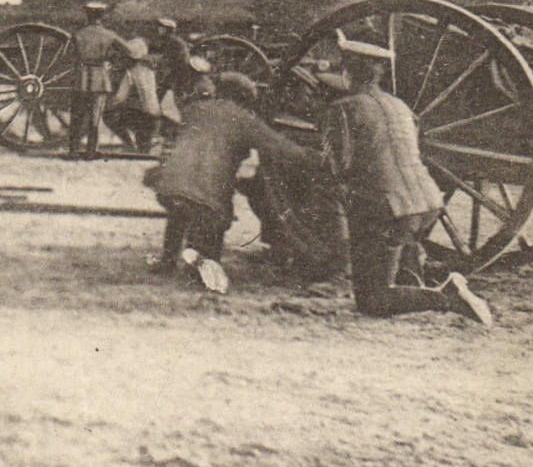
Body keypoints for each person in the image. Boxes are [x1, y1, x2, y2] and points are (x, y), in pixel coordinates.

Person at [324, 32, 493, 325]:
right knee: (403, 244)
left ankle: (447, 296)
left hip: (387, 210)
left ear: (347, 73)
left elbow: (339, 165)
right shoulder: (400, 106)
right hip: (428, 203)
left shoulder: (342, 109)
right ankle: (413, 279)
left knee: (372, 301)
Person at [150, 71, 330, 292]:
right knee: (214, 219)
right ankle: (202, 269)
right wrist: (316, 158)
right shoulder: (243, 120)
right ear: (245, 98)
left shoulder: (194, 110)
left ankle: (168, 260)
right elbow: (280, 147)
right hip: (206, 198)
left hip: (168, 187)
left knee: (181, 209)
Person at [68, 1, 127, 160]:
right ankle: (90, 152)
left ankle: (73, 151)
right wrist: (112, 62)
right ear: (103, 16)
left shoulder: (78, 34)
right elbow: (128, 51)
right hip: (100, 78)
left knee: (77, 116)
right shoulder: (109, 35)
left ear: (87, 15)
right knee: (95, 117)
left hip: (81, 77)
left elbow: (68, 56)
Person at [106, 36, 162, 152]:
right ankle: (144, 146)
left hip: (142, 116)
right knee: (144, 145)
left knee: (108, 116)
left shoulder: (131, 73)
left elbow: (120, 97)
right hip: (155, 117)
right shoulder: (150, 70)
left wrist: (107, 104)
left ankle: (129, 144)